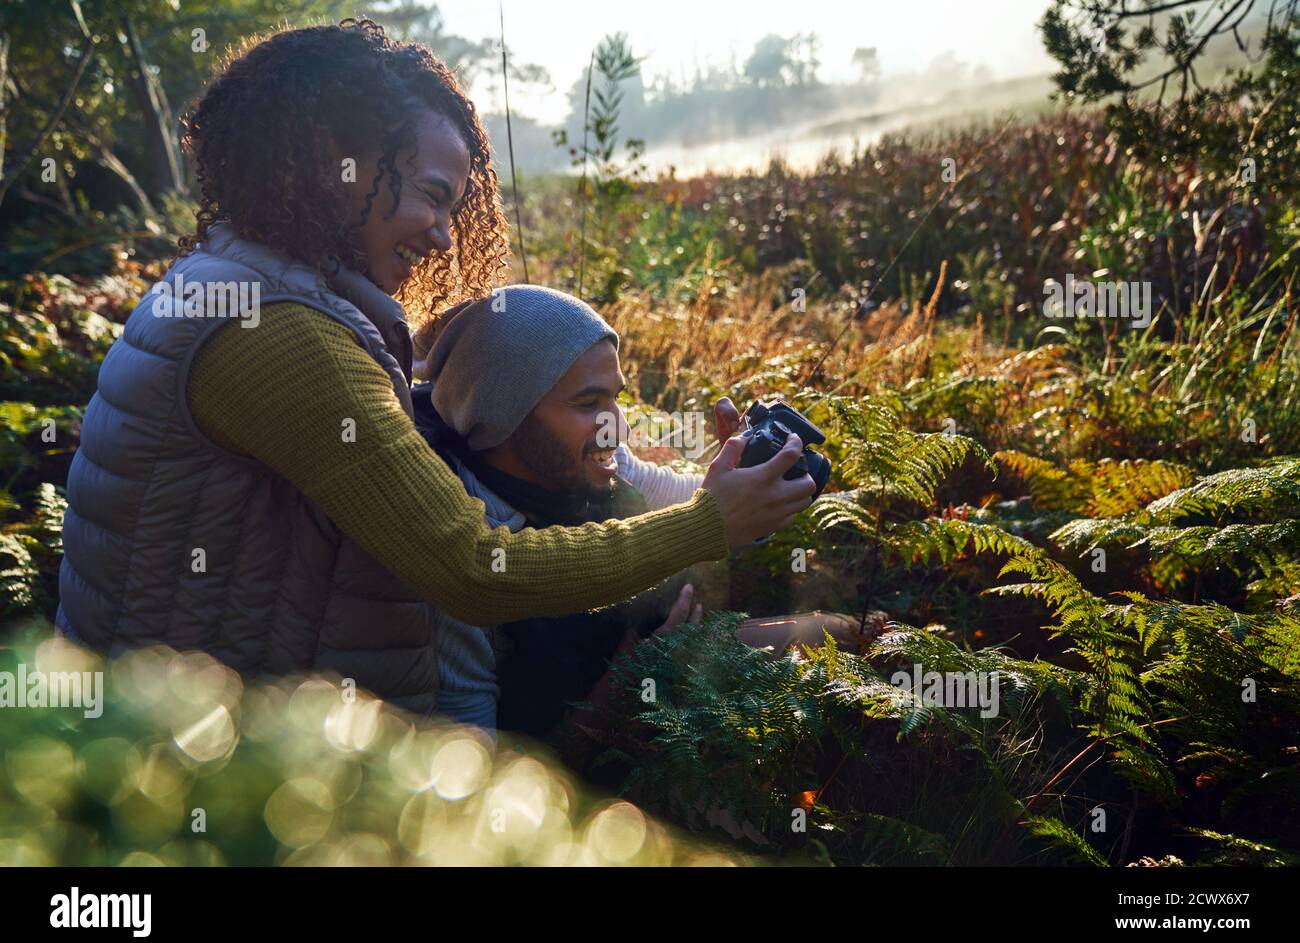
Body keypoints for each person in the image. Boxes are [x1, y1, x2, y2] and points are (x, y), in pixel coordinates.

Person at [54, 19, 815, 717]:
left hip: (190, 737)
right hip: (190, 766)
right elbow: (470, 567)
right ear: (333, 163)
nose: (447, 239)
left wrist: (718, 488)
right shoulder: (276, 332)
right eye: (431, 195)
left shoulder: (247, 291)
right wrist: (705, 525)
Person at [411, 284, 867, 733]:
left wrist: (750, 468)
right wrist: (632, 683)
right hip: (594, 753)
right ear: (503, 415)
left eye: (617, 398)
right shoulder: (462, 554)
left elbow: (689, 501)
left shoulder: (592, 462)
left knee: (847, 636)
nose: (620, 428)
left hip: (661, 653)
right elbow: (475, 773)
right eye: (588, 403)